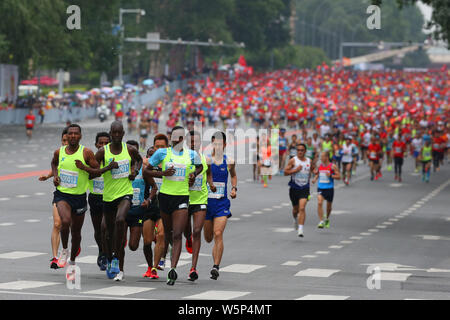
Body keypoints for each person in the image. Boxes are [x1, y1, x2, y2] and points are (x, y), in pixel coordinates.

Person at [50, 124, 108, 281]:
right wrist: (55, 176)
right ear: (67, 136)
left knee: (76, 233)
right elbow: (54, 163)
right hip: (62, 194)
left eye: (76, 133)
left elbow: (97, 171)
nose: (73, 136)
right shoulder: (59, 152)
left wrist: (83, 167)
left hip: (80, 197)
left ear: (80, 136)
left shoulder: (86, 152)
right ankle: (64, 250)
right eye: (70, 134)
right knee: (65, 221)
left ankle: (73, 263)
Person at [145, 126, 203, 285]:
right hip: (164, 198)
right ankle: (171, 252)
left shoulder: (191, 154)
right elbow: (146, 171)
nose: (177, 140)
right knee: (169, 234)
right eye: (174, 137)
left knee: (177, 234)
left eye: (180, 137)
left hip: (182, 198)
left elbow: (200, 166)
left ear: (183, 139)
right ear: (171, 138)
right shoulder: (162, 153)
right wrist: (162, 174)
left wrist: (194, 174)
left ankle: (173, 269)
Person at [93, 121, 143, 281]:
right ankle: (110, 259)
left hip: (125, 193)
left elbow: (139, 160)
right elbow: (92, 171)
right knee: (108, 233)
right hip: (108, 196)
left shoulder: (129, 149)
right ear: (110, 133)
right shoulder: (102, 152)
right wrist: (107, 168)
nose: (116, 135)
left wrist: (135, 171)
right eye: (113, 133)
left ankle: (116, 258)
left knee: (120, 220)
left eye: (118, 133)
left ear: (123, 134)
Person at [121, 140, 158, 282]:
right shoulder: (122, 166)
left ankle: (150, 266)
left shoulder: (144, 169)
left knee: (133, 246)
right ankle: (118, 268)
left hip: (138, 212)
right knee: (120, 242)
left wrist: (148, 200)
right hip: (123, 209)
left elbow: (154, 187)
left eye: (135, 151)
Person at [204, 132, 237, 280]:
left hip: (221, 202)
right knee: (208, 237)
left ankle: (215, 266)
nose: (217, 146)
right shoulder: (206, 160)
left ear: (224, 144)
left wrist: (234, 188)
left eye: (220, 143)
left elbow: (234, 175)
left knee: (218, 233)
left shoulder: (229, 161)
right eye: (214, 143)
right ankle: (214, 263)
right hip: (206, 203)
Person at [184, 131, 215, 281]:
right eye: (190, 142)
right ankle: (187, 238)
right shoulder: (182, 159)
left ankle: (193, 269)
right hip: (183, 199)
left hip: (200, 200)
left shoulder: (206, 159)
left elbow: (208, 173)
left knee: (197, 231)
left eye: (196, 142)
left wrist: (211, 184)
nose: (193, 144)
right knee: (186, 231)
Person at [39, 127, 68, 269]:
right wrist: (48, 176)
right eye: (63, 141)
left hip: (76, 196)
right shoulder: (59, 153)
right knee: (57, 224)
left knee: (69, 226)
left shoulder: (82, 153)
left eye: (68, 141)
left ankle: (68, 250)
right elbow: (57, 167)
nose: (65, 143)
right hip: (60, 194)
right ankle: (55, 257)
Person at [142, 135, 167, 279]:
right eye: (156, 147)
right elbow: (142, 163)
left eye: (162, 147)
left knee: (161, 235)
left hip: (164, 205)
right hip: (149, 205)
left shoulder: (170, 163)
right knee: (147, 240)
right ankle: (149, 265)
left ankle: (154, 268)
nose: (159, 150)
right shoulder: (147, 163)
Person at [87, 132, 111, 271]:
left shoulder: (114, 159)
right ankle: (102, 251)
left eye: (106, 143)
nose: (103, 145)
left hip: (110, 197)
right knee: (98, 230)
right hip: (95, 198)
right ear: (96, 144)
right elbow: (87, 176)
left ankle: (110, 253)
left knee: (106, 228)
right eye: (100, 143)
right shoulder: (90, 160)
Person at [284, 143, 314, 237]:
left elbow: (314, 170)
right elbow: (285, 172)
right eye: (298, 150)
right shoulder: (293, 160)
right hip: (294, 188)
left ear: (305, 151)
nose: (300, 152)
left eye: (302, 150)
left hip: (305, 188)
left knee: (302, 208)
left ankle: (300, 229)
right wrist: (295, 170)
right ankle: (295, 219)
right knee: (295, 210)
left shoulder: (309, 161)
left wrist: (316, 175)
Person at [312, 151, 340, 229]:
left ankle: (327, 218)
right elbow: (318, 173)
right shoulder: (320, 166)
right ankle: (321, 221)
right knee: (320, 202)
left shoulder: (332, 166)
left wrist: (331, 175)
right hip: (320, 187)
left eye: (322, 156)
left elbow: (339, 176)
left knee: (328, 207)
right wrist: (314, 179)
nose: (321, 158)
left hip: (329, 189)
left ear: (327, 157)